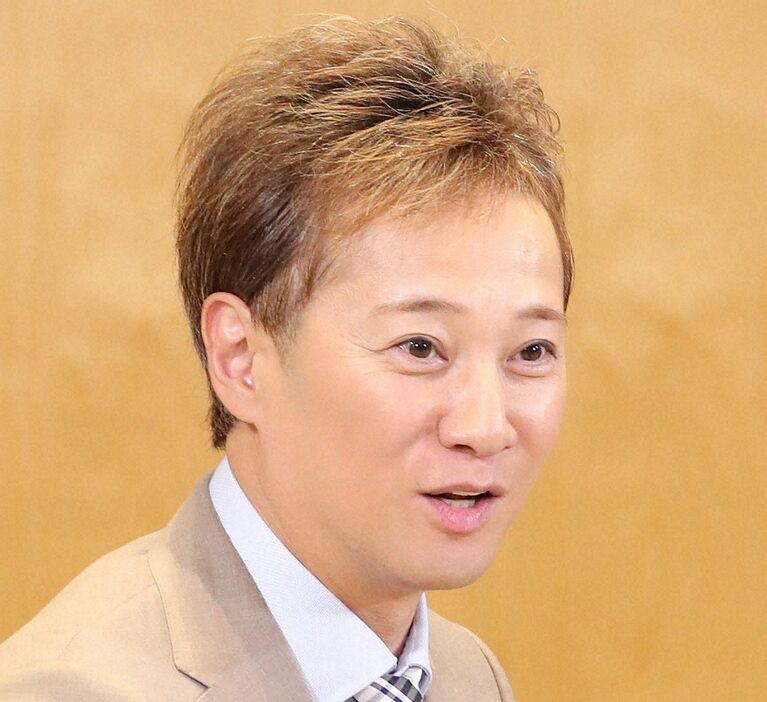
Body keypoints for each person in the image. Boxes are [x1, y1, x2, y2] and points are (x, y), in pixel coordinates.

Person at [0, 16, 572, 702]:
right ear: (240, 356)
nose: (485, 427)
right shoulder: (74, 687)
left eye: (531, 351)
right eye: (419, 347)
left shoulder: (468, 675)